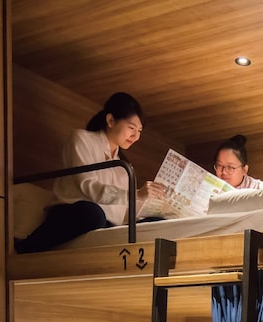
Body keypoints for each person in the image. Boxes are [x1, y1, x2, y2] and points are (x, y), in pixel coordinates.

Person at [15, 92, 166, 253]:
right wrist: (135, 194)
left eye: (140, 130)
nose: (135, 136)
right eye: (131, 128)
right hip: (75, 212)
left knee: (158, 222)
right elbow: (87, 186)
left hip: (107, 224)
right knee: (93, 214)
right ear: (110, 120)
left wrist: (152, 202)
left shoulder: (124, 168)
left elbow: (124, 214)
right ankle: (26, 247)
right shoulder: (82, 139)